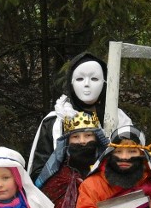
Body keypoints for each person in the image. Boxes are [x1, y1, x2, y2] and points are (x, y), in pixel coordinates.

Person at [27, 52, 133, 181]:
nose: (87, 84)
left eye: (94, 78)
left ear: (105, 82)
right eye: (80, 79)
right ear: (71, 83)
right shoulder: (54, 121)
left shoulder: (119, 119)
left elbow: (132, 160)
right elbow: (39, 171)